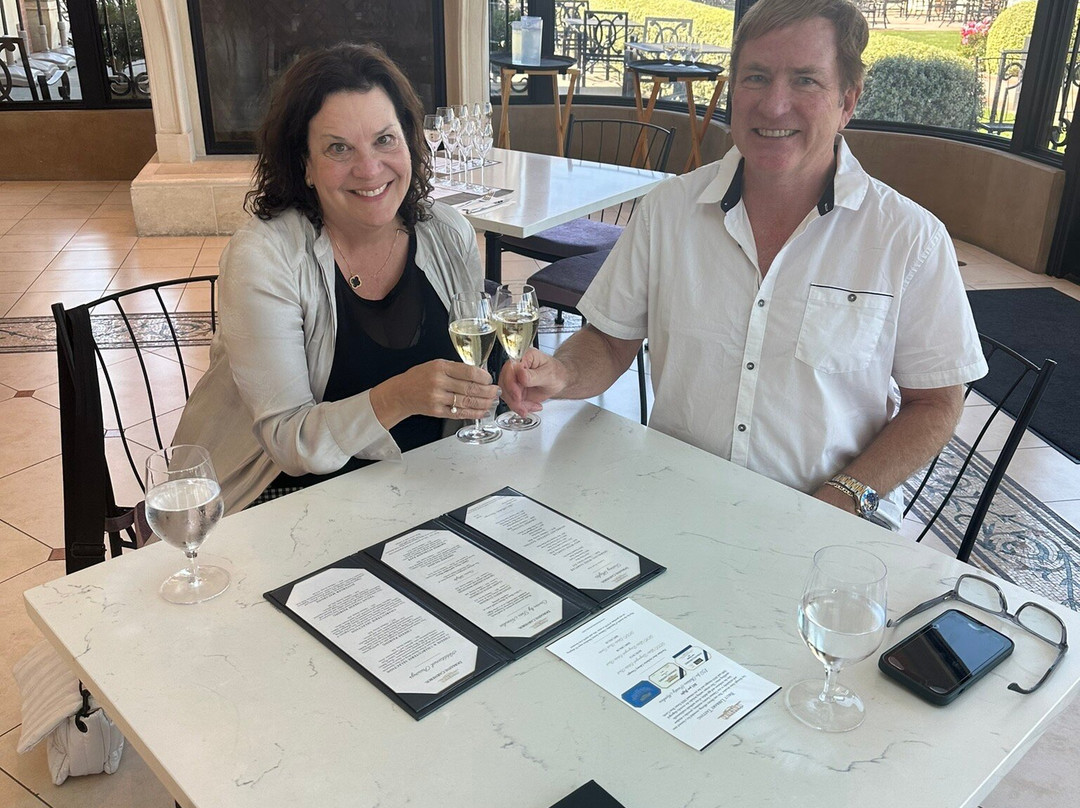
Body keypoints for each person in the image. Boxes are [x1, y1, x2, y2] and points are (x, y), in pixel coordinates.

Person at [500, 0, 988, 530]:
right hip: (678, 504)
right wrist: (564, 373)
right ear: (734, 90)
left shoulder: (908, 238)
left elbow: (936, 403)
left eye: (805, 80)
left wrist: (844, 496)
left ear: (847, 100)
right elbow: (610, 340)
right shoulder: (669, 210)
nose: (774, 106)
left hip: (831, 522)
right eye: (756, 77)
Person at [174, 44, 498, 513]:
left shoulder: (449, 233)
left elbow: (470, 370)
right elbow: (289, 442)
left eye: (384, 140)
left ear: (410, 142)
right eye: (338, 148)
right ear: (304, 164)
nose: (369, 169)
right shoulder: (265, 256)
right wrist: (399, 396)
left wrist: (504, 384)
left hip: (421, 484)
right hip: (284, 497)